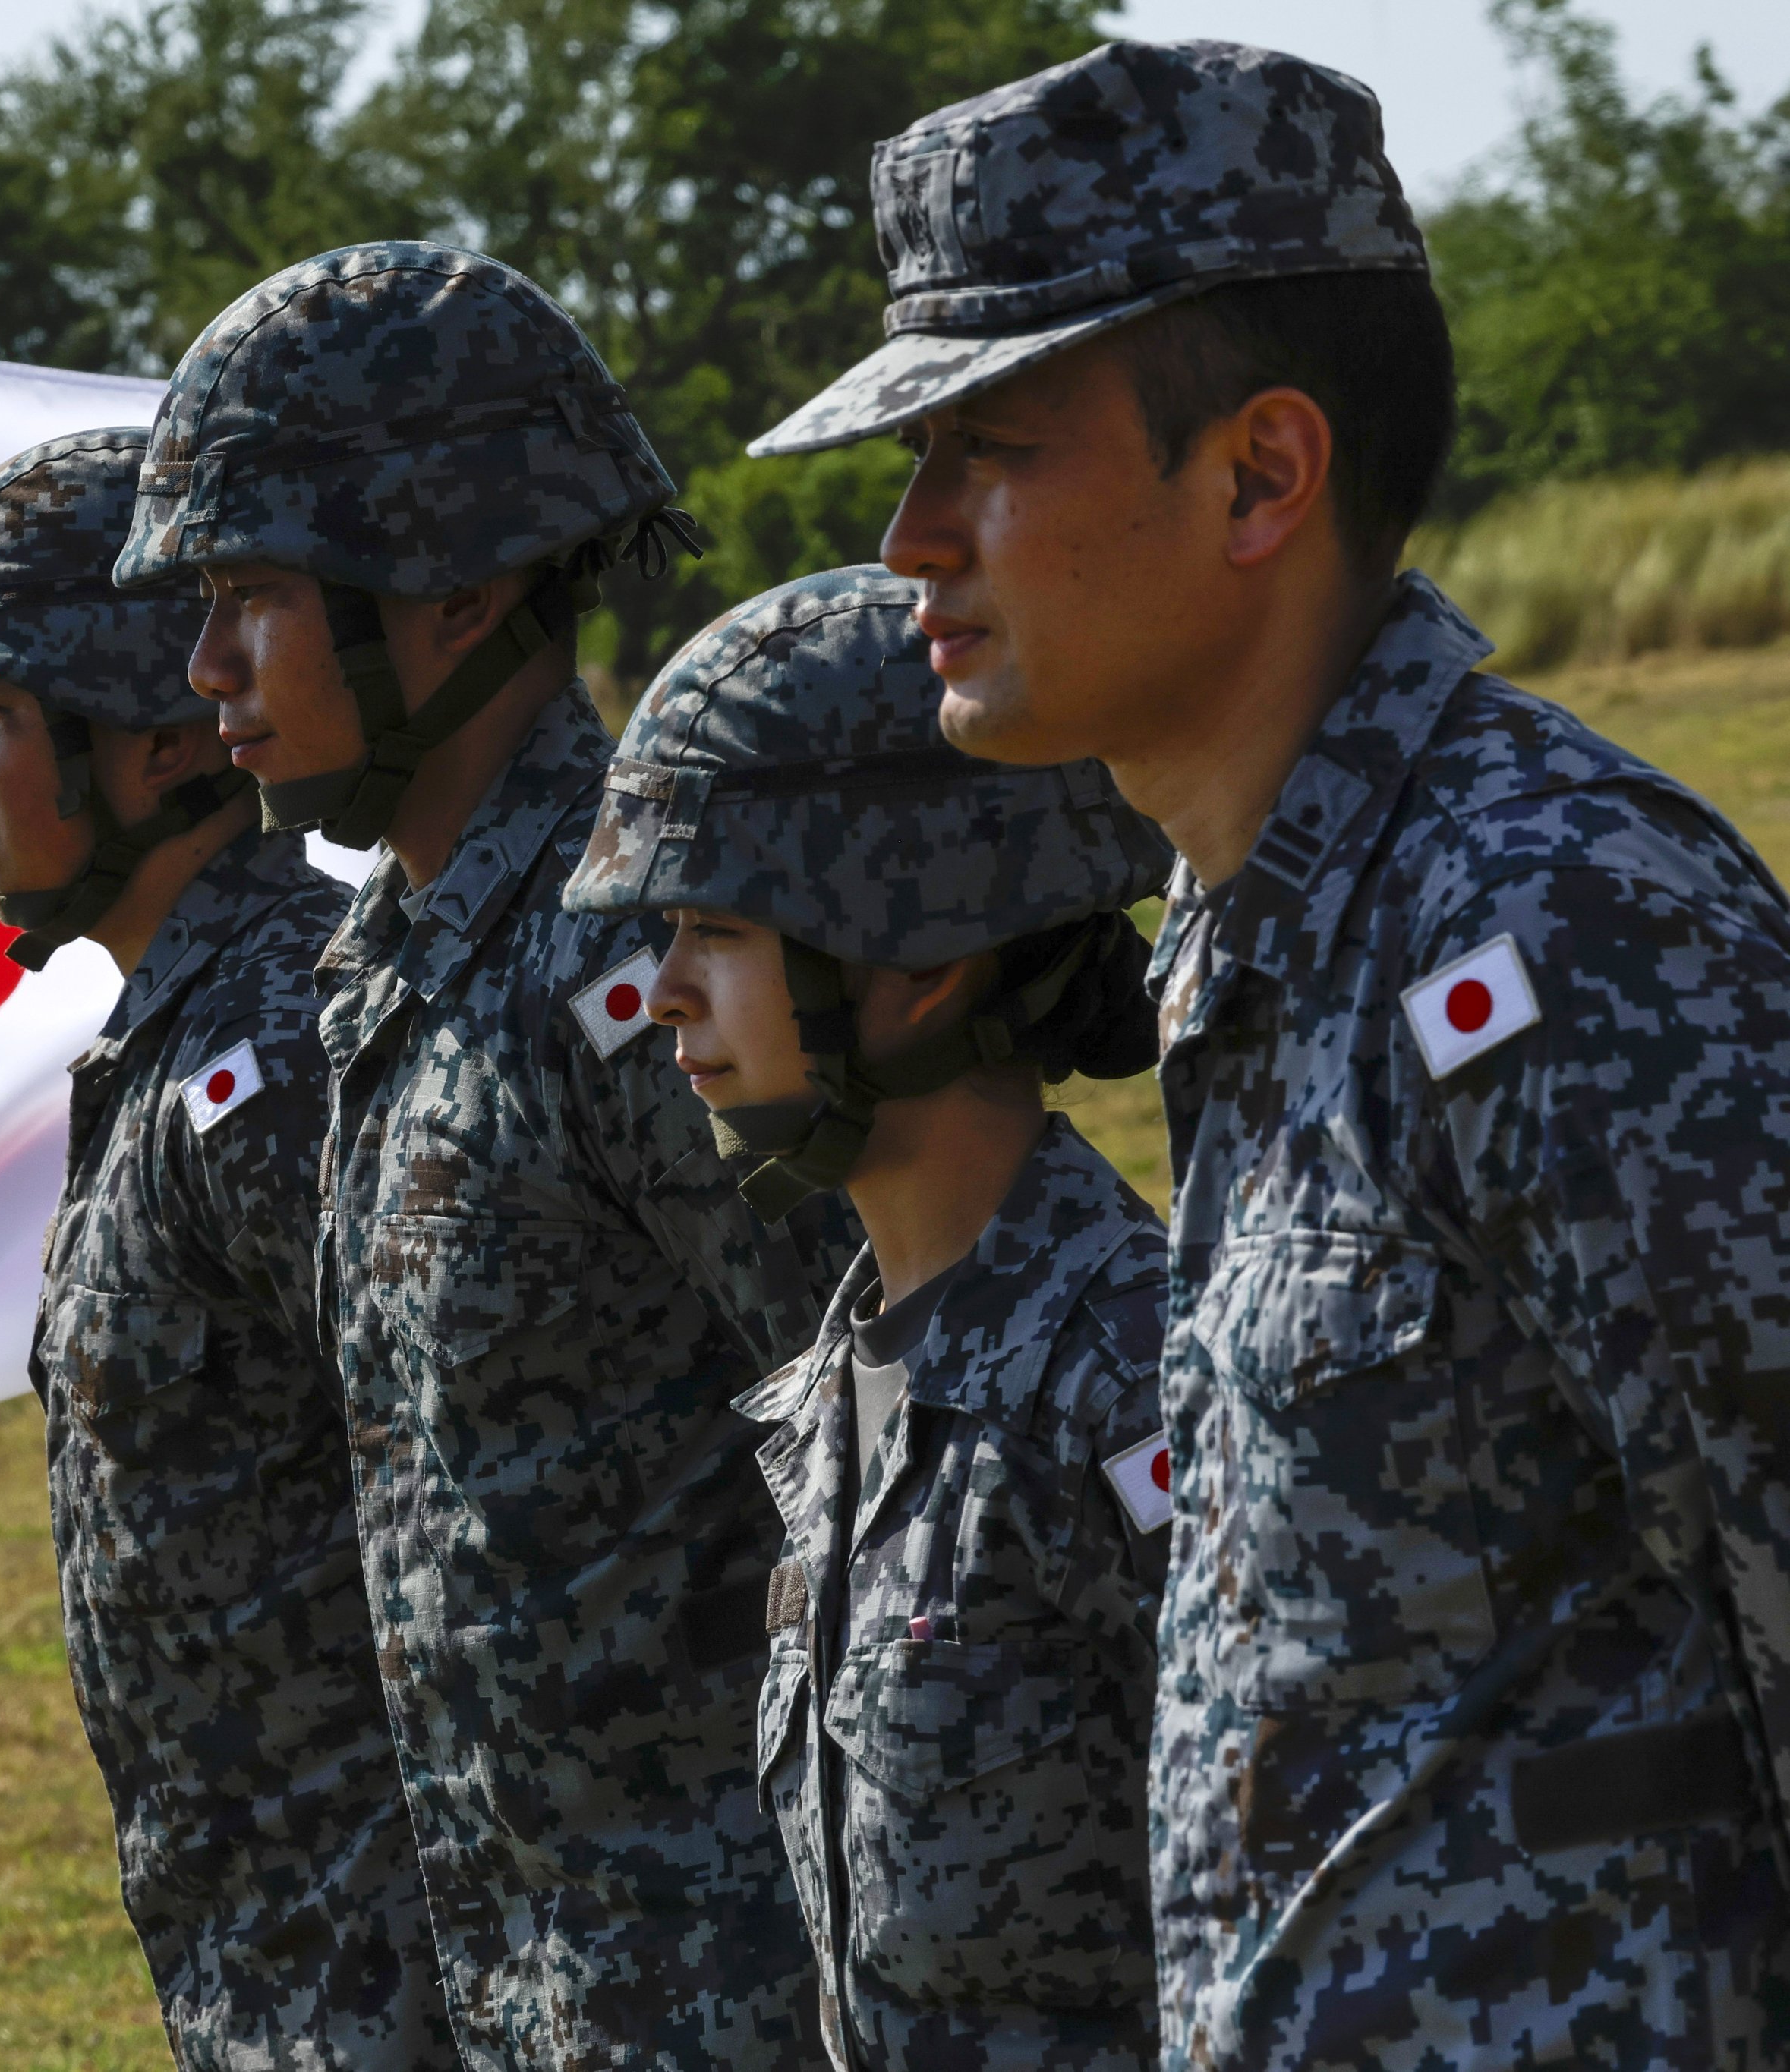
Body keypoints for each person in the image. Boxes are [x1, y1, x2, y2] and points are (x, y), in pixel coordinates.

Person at [751, 38, 1790, 2068]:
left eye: (987, 451)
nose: (908, 542)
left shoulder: (1553, 923)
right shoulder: (1261, 926)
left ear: (1259, 474)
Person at [118, 243, 861, 2067]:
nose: (203, 665)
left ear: (450, 591)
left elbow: (890, 1460)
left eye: (253, 597)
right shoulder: (388, 961)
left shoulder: (638, 964)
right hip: (527, 1999)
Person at [0, 426, 453, 2070]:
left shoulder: (280, 1048)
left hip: (391, 1968)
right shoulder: (182, 1044)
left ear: (151, 745)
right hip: (277, 1959)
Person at [566, 564, 1174, 2070]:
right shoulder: (833, 1386)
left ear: (917, 952)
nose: (659, 996)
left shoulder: (1132, 1379)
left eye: (716, 926)